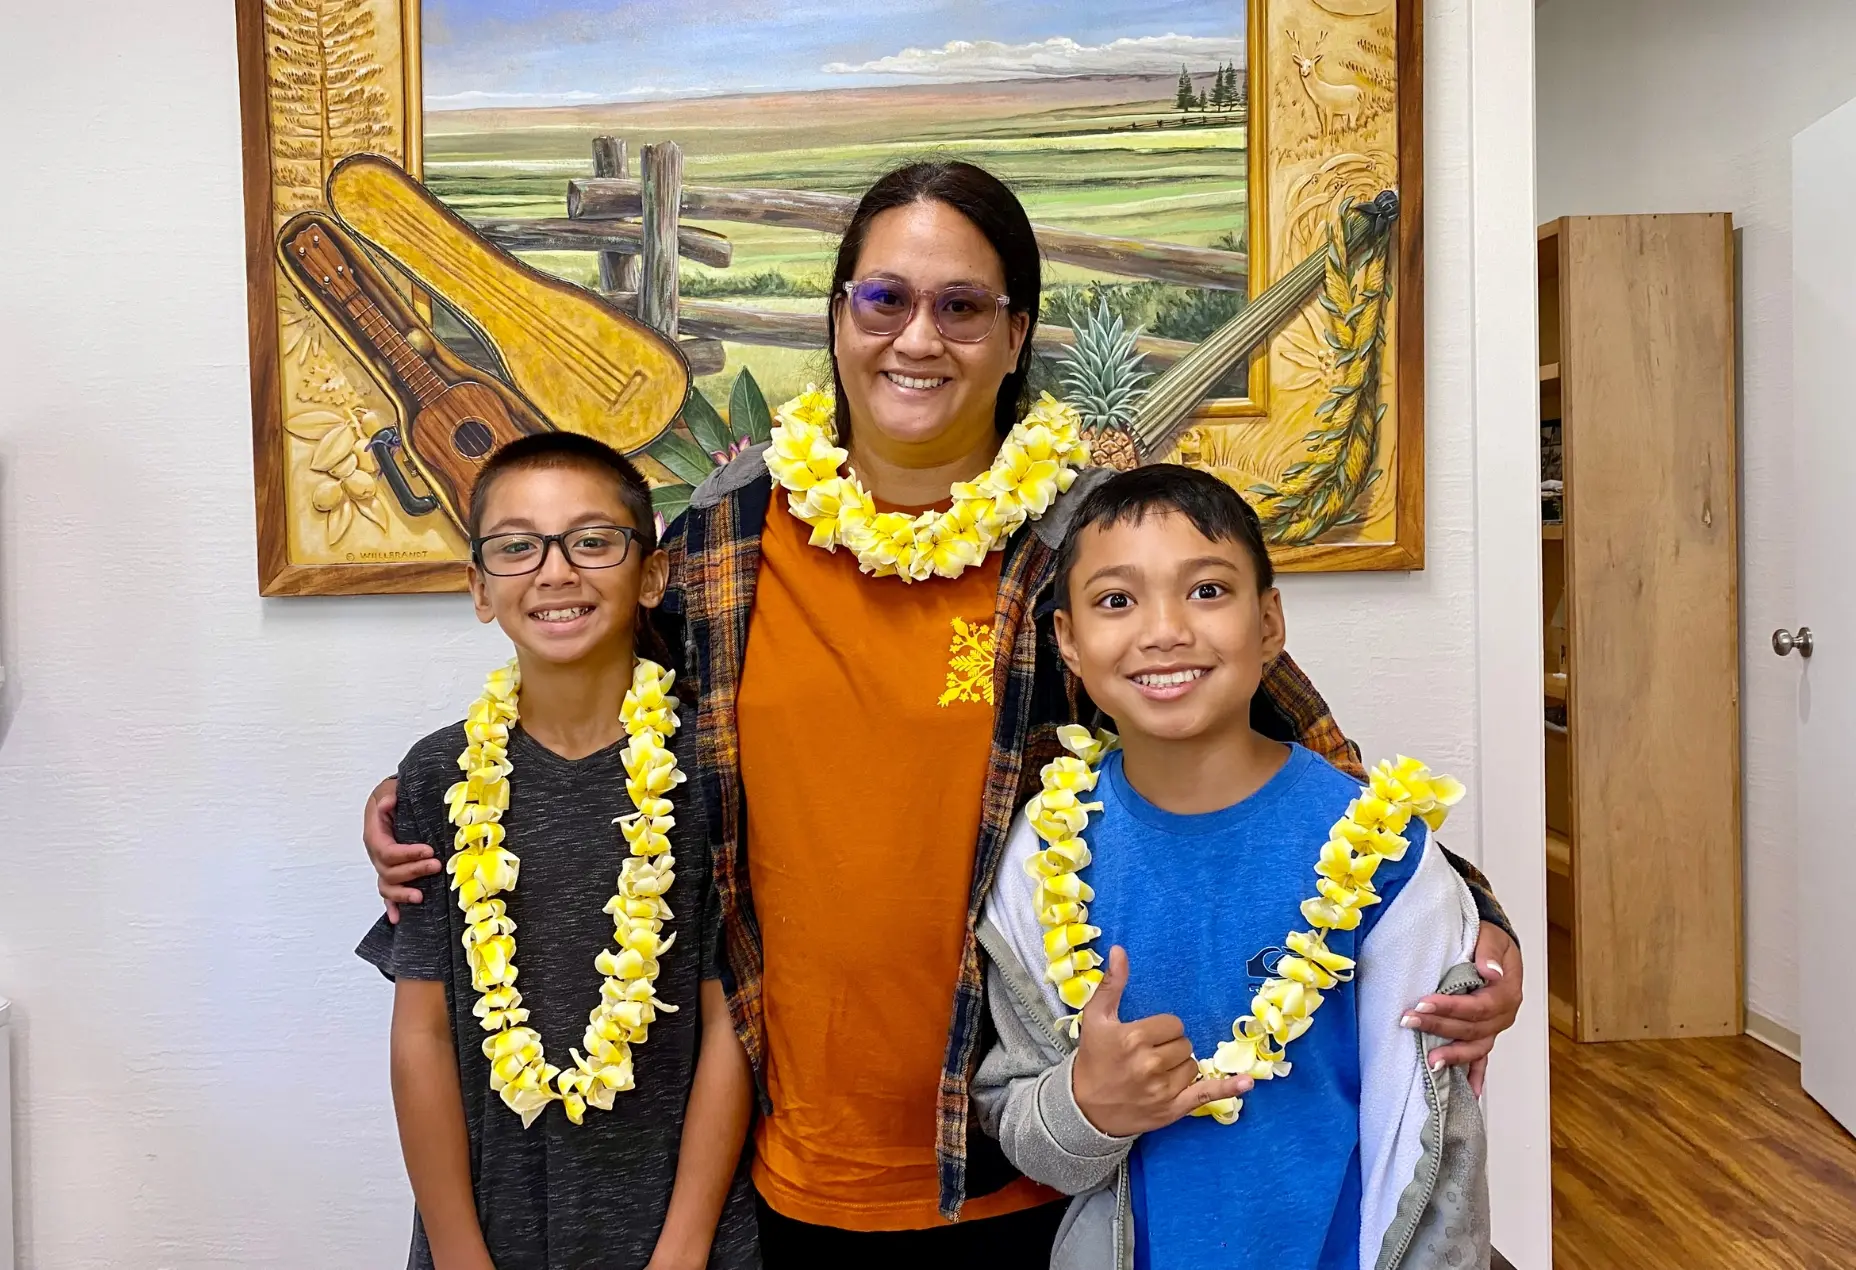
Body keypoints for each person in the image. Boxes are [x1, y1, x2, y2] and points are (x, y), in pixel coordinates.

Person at [362, 161, 1524, 1265]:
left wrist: (1472, 916)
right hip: (782, 1163)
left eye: (962, 305)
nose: (918, 337)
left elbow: (1294, 760)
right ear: (839, 315)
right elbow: (601, 708)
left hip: (1030, 1159)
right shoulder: (725, 539)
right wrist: (430, 804)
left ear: (1016, 335)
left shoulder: (1084, 548)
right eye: (885, 298)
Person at [975, 465, 1489, 1270]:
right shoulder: (1039, 862)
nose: (1165, 630)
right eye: (1117, 600)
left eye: (1207, 591)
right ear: (1068, 642)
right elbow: (1021, 1122)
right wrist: (1090, 1107)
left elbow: (1436, 1151)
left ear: (1270, 622)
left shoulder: (1385, 855)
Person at [356, 433, 759, 1270]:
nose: (555, 571)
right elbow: (422, 1034)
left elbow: (733, 1024)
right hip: (493, 1223)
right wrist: (461, 1254)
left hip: (682, 1227)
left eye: (592, 540)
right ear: (478, 587)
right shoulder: (438, 776)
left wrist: (683, 1249)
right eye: (516, 547)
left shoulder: (713, 772)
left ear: (650, 573)